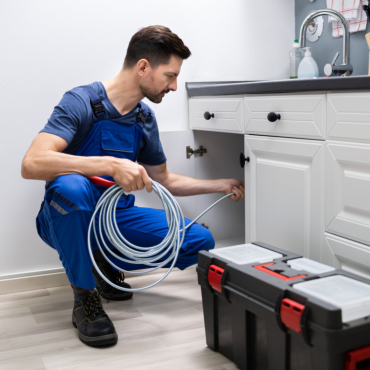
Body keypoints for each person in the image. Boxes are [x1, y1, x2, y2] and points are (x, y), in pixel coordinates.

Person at [21, 25, 245, 347]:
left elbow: (164, 179)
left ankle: (104, 265)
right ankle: (85, 299)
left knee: (198, 239)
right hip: (67, 216)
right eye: (169, 75)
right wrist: (109, 164)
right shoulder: (82, 102)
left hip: (116, 220)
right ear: (143, 67)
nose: (174, 85)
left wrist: (218, 184)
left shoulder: (144, 119)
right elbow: (32, 163)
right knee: (71, 188)